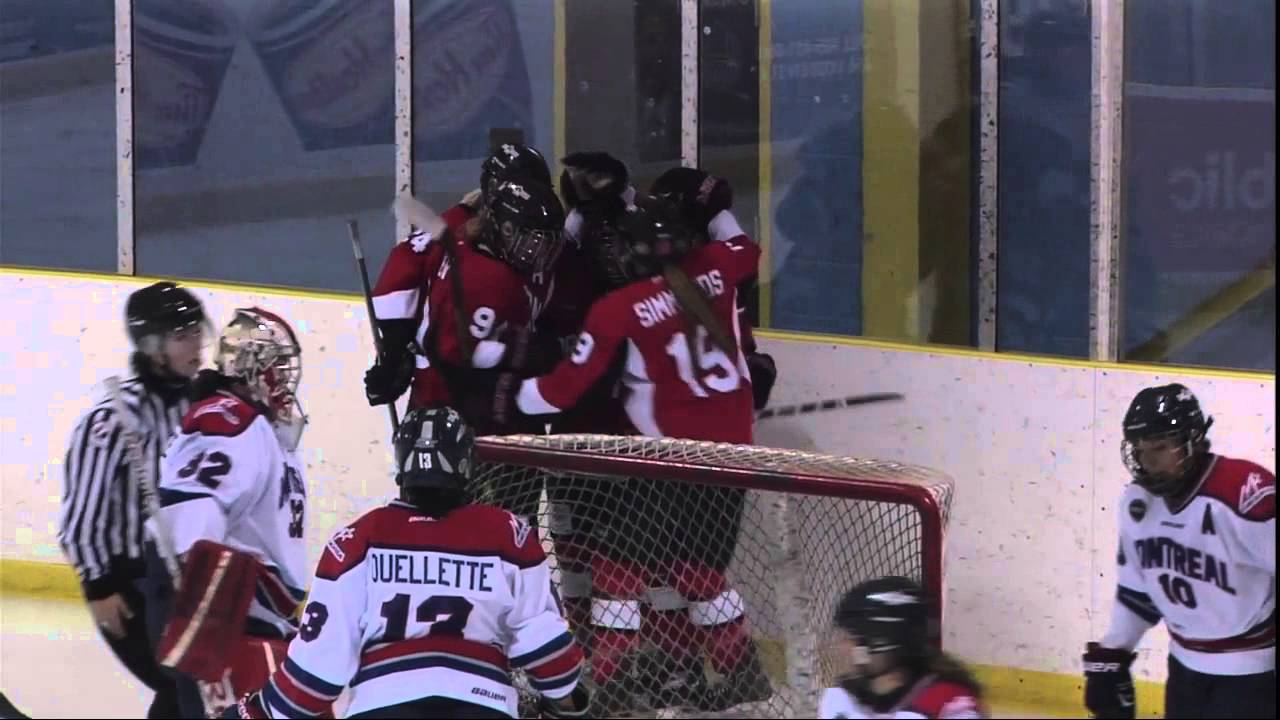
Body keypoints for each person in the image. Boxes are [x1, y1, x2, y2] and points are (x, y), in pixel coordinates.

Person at [495, 193, 770, 713]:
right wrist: (710, 203)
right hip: (733, 456)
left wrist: (506, 397)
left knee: (617, 574)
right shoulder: (716, 266)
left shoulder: (618, 309)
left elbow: (558, 393)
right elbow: (744, 246)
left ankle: (612, 687)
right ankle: (742, 673)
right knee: (698, 572)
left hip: (671, 463)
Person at [222, 407, 590, 719]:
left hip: (382, 706)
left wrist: (253, 711)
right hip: (482, 706)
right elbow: (548, 652)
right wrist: (571, 703)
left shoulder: (356, 541)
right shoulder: (509, 534)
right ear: (466, 464)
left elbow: (314, 676)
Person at [144, 306, 312, 717]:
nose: (285, 379)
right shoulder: (230, 422)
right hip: (226, 622)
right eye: (277, 367)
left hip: (249, 620)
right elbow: (188, 527)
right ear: (251, 369)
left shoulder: (262, 427)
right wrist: (202, 631)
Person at [57, 280, 209, 719]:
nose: (196, 344)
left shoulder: (198, 405)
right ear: (151, 345)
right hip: (131, 585)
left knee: (190, 689)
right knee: (183, 686)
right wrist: (99, 586)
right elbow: (82, 518)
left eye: (197, 331)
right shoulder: (114, 420)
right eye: (182, 336)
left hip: (185, 578)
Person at [1084, 384, 1275, 719]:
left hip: (1254, 677)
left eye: (1160, 447)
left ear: (1194, 440)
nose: (1149, 461)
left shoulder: (1244, 495)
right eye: (1141, 450)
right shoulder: (1137, 502)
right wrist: (1113, 654)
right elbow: (1137, 592)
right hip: (1184, 673)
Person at [364, 143, 554, 412]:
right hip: (447, 392)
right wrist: (395, 351)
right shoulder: (456, 230)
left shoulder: (545, 239)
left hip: (508, 394)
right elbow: (403, 266)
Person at [820, 577, 985, 719]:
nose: (842, 648)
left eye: (851, 639)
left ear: (885, 641)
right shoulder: (839, 700)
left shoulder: (951, 703)